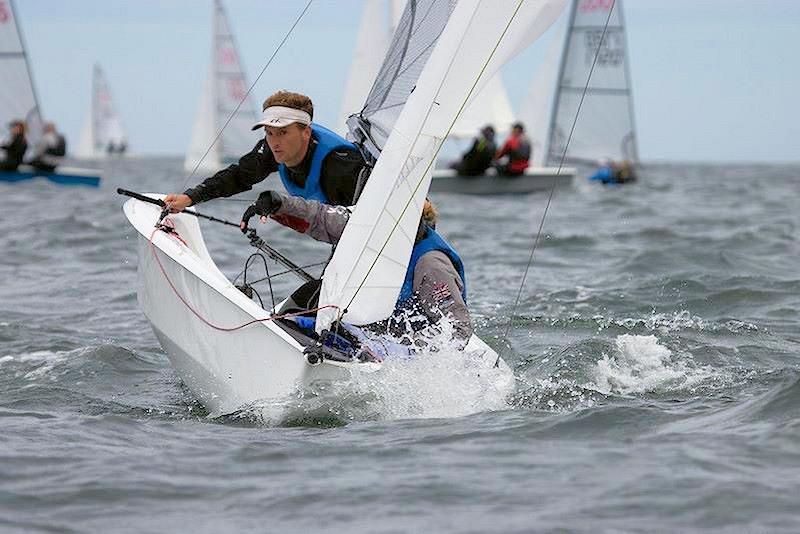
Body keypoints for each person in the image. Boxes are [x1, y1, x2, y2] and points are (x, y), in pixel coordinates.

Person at [241, 193, 473, 348]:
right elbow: (321, 216)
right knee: (310, 295)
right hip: (364, 326)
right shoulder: (371, 228)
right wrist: (278, 203)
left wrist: (404, 348)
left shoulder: (431, 264)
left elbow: (458, 329)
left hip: (397, 347)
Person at [164, 90, 368, 213]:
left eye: (282, 132)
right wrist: (189, 198)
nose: (274, 142)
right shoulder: (274, 149)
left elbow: (356, 224)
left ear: (306, 132)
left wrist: (285, 208)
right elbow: (238, 175)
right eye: (269, 133)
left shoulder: (339, 167)